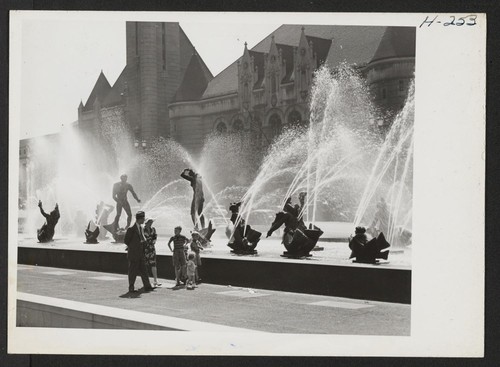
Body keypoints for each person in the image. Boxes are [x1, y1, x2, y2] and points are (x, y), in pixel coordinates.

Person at [123, 211, 154, 293]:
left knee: (144, 270)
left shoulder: (140, 228)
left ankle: (147, 286)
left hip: (141, 253)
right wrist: (134, 246)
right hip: (133, 254)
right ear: (140, 219)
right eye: (143, 218)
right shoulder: (131, 229)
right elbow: (126, 241)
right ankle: (131, 287)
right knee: (132, 271)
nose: (144, 220)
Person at [143, 218, 161, 287]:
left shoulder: (153, 229)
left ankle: (155, 280)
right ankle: (146, 281)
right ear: (146, 223)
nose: (151, 224)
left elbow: (155, 236)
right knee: (145, 265)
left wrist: (154, 241)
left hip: (152, 248)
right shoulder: (142, 229)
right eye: (149, 222)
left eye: (151, 222)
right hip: (145, 249)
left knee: (153, 264)